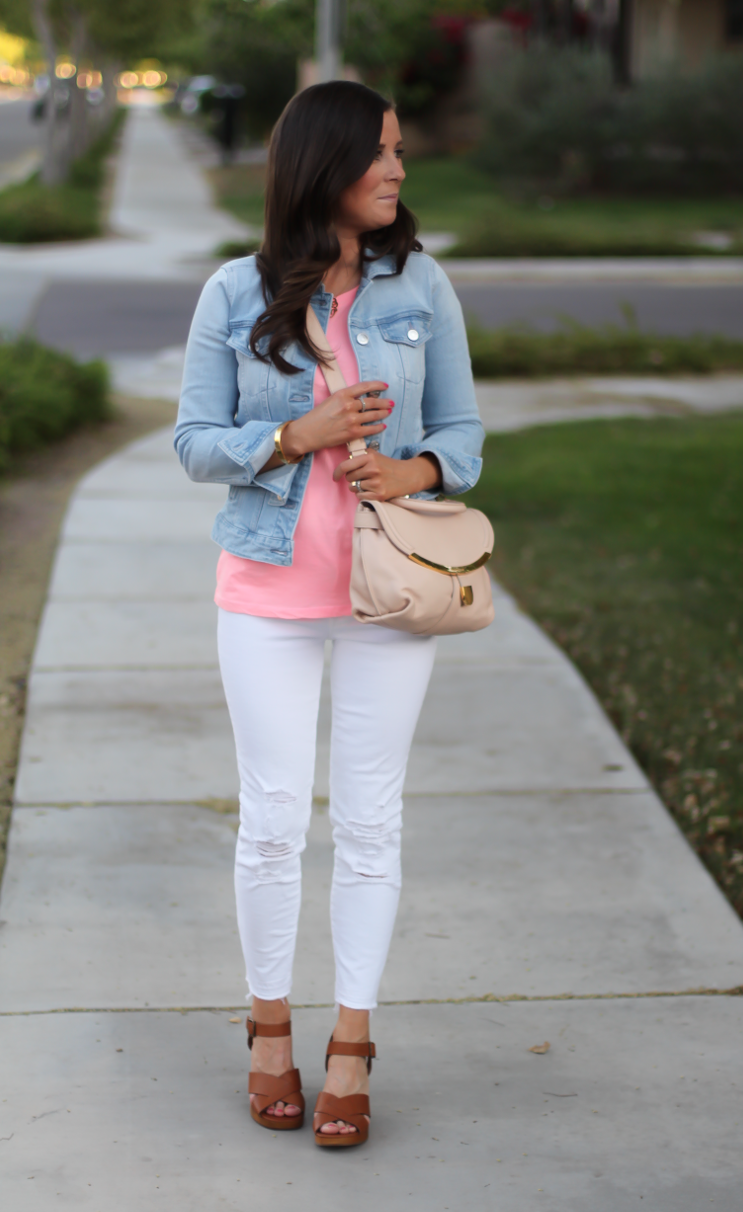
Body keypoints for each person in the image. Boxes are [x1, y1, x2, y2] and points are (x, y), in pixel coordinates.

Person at [175, 80, 483, 1148]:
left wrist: (418, 467)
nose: (398, 170)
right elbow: (192, 441)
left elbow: (467, 432)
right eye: (380, 154)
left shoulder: (420, 285)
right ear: (323, 167)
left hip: (386, 595)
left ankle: (353, 1037)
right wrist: (293, 436)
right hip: (266, 592)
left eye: (400, 152)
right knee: (269, 821)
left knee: (367, 821)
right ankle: (270, 1030)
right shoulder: (231, 292)